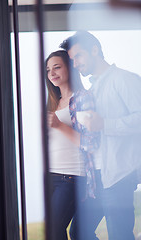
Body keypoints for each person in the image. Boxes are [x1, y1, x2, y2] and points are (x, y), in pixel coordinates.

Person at [61, 30, 141, 240]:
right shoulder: (93, 89)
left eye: (78, 56)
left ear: (94, 50)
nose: (75, 64)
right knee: (79, 232)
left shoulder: (124, 79)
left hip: (118, 176)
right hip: (95, 178)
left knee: (120, 236)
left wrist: (105, 124)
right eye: (72, 60)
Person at [45, 50, 99, 240]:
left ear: (71, 67)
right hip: (52, 175)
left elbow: (91, 142)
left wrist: (59, 126)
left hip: (73, 176)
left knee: (54, 228)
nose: (52, 73)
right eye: (48, 69)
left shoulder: (83, 97)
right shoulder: (54, 102)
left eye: (57, 67)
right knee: (55, 230)